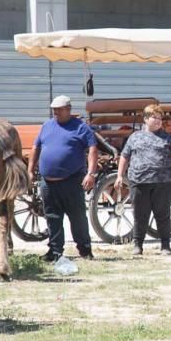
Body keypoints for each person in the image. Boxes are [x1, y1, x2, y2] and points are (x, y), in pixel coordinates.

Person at [27, 95, 98, 261]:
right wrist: (30, 170)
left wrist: (91, 173)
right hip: (48, 181)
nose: (56, 113)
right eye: (54, 110)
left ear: (68, 109)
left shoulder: (81, 127)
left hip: (71, 180)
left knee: (77, 216)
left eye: (59, 110)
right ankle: (55, 250)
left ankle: (85, 249)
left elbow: (93, 150)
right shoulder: (47, 126)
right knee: (52, 216)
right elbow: (36, 147)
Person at [115, 105, 171, 256]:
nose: (159, 121)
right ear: (146, 119)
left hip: (163, 182)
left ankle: (165, 246)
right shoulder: (135, 137)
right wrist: (120, 176)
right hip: (139, 182)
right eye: (155, 117)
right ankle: (138, 245)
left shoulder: (168, 138)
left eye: (160, 118)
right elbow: (124, 156)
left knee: (163, 215)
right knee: (140, 215)